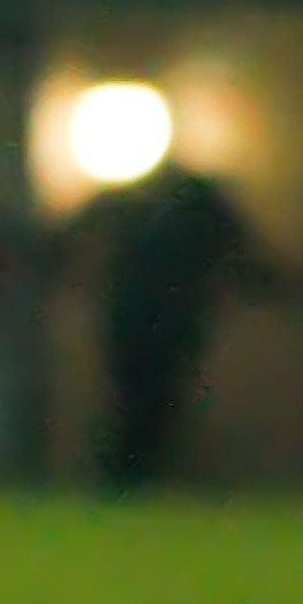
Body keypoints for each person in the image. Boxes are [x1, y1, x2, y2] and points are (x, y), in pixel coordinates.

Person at [70, 155, 267, 492]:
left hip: (147, 319)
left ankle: (129, 478)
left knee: (142, 404)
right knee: (146, 405)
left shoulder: (138, 206)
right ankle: (132, 476)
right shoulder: (177, 209)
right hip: (156, 320)